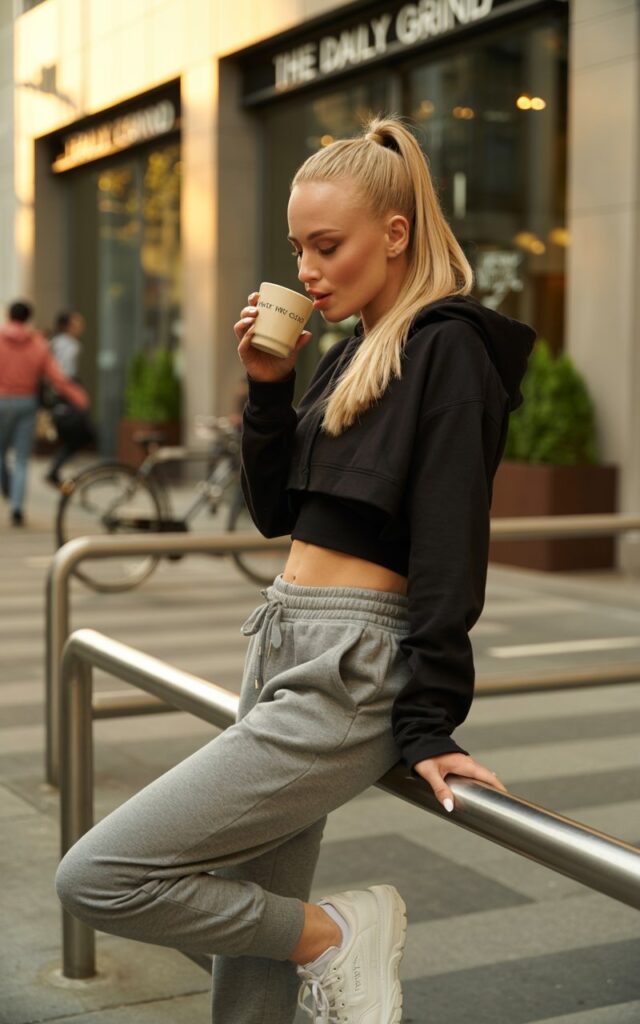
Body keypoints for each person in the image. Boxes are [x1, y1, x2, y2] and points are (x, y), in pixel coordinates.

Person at [55, 115, 536, 1023]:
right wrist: (268, 387)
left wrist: (431, 722)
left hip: (352, 665)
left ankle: (334, 937)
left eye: (328, 246)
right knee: (249, 963)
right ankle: (305, 952)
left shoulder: (449, 349)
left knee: (102, 873)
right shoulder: (353, 347)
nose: (307, 270)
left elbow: (448, 543)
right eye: (297, 248)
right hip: (282, 637)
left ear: (395, 234)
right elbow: (277, 513)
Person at [0, 300, 88, 526]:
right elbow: (56, 376)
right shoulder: (37, 343)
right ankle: (17, 507)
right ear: (28, 318)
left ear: (9, 316)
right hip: (27, 403)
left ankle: (6, 486)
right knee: (21, 458)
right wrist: (77, 396)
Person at [45, 311, 96, 486]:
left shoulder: (53, 342)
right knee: (85, 433)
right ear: (67, 325)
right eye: (77, 323)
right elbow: (64, 375)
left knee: (76, 434)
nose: (81, 327)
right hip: (66, 392)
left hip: (59, 394)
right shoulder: (70, 345)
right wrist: (76, 394)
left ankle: (55, 469)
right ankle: (55, 470)